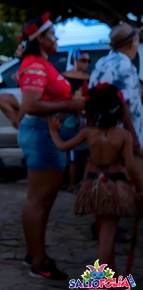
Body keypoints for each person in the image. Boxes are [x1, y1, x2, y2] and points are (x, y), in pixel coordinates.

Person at [16, 12, 84, 280]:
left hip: (46, 133)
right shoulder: (34, 65)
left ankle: (34, 254)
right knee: (40, 199)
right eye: (53, 34)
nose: (57, 38)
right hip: (42, 134)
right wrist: (70, 104)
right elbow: (30, 104)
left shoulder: (42, 63)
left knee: (43, 199)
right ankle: (38, 261)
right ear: (40, 38)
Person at [48, 83, 143, 272]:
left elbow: (62, 146)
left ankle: (110, 275)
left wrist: (53, 132)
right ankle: (97, 280)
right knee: (107, 238)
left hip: (93, 185)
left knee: (103, 233)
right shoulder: (124, 135)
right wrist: (140, 189)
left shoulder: (88, 132)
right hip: (114, 186)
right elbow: (131, 167)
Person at [90, 23, 142, 154]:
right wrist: (134, 140)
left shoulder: (101, 62)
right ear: (131, 44)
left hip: (102, 136)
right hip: (123, 140)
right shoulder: (126, 67)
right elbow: (124, 106)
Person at [61, 50, 91, 191]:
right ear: (75, 60)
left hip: (83, 120)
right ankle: (71, 182)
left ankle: (79, 182)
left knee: (84, 155)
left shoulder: (89, 78)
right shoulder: (64, 76)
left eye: (88, 61)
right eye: (84, 60)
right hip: (67, 120)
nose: (86, 64)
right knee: (71, 155)